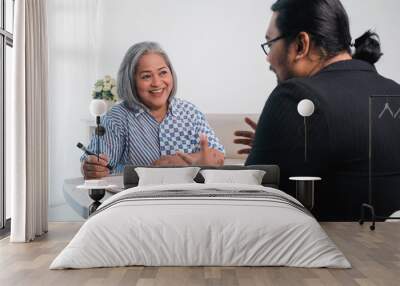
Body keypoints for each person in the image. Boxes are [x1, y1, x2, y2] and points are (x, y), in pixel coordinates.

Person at [232, 0, 400, 221]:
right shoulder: (394, 92)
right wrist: (281, 144)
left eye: (270, 44)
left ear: (301, 45)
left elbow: (249, 208)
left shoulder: (295, 97)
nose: (268, 57)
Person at [82, 41, 224, 179]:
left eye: (162, 73)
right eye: (146, 76)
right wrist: (91, 168)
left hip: (187, 198)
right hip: (138, 199)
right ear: (131, 81)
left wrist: (184, 161)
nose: (157, 82)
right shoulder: (117, 118)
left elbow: (218, 156)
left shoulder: (190, 112)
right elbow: (96, 163)